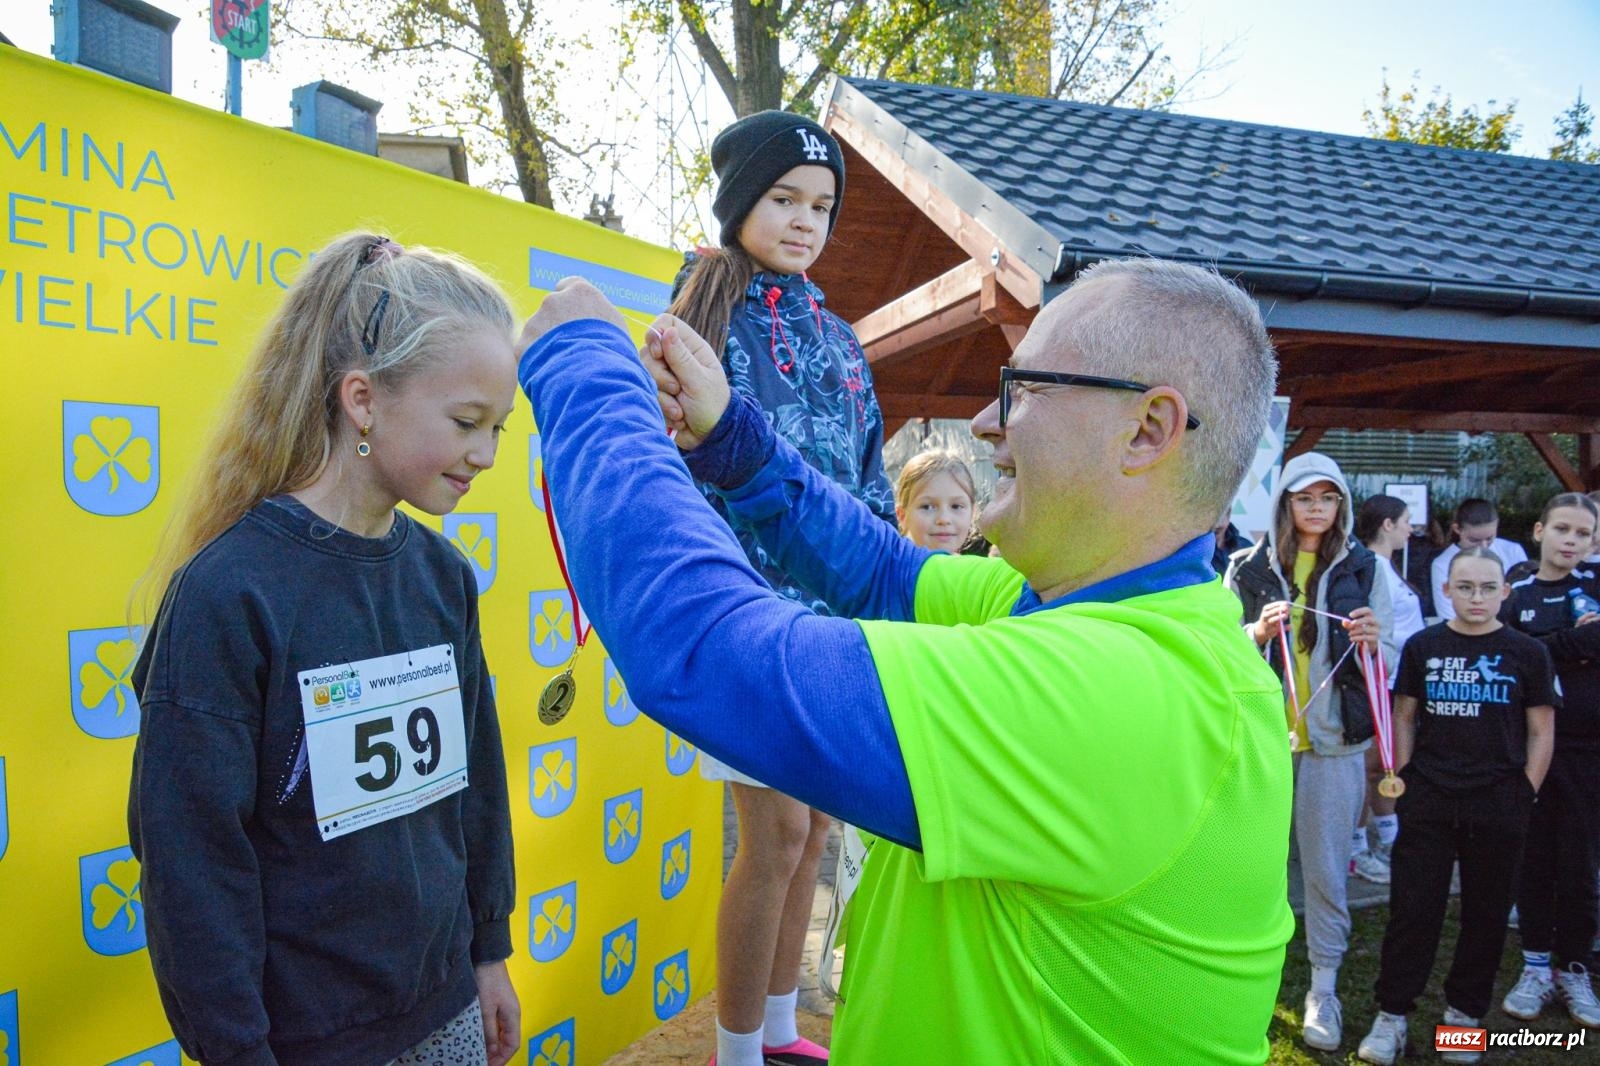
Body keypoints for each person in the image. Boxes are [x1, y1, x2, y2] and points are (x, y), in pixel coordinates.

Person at [516, 256, 1294, 1062]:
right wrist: (732, 437)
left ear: (1148, 430)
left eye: (1023, 391)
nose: (988, 425)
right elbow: (885, 572)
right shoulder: (1085, 609)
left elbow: (707, 653)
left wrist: (585, 368)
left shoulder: (1122, 694)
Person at [127, 234, 520, 1066]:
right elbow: (192, 861)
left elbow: (474, 779)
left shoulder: (443, 577)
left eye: (499, 429)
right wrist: (237, 1049)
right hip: (301, 1040)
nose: (485, 455)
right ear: (363, 400)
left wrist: (489, 951)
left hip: (445, 1006)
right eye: (465, 423)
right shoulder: (230, 593)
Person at [664, 109, 894, 1066]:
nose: (805, 220)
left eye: (822, 206)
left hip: (836, 618)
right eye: (784, 199)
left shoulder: (840, 336)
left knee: (819, 830)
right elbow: (670, 472)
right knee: (778, 831)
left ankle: (784, 1027)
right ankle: (732, 1048)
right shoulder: (694, 320)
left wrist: (878, 573)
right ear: (738, 204)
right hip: (745, 619)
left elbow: (873, 470)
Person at [1355, 549, 1556, 1065]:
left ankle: (1464, 1020)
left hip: (1499, 802)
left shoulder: (1527, 652)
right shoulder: (1424, 645)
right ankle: (1393, 1015)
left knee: (1485, 916)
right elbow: (1403, 714)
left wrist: (1525, 792)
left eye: (1488, 588)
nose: (1476, 598)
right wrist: (1405, 775)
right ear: (1446, 589)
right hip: (1430, 800)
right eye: (1465, 587)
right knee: (1413, 912)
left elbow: (1541, 730)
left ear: (1504, 592)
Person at [1225, 451, 1394, 1053]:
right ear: (1284, 504)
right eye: (1304, 498)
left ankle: (1323, 986)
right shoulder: (1246, 567)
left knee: (1325, 870)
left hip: (1334, 747)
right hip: (1263, 745)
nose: (1316, 508)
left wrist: (1375, 644)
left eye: (1327, 498)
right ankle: (1249, 983)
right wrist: (1257, 634)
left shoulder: (1367, 568)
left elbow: (1393, 653)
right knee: (1254, 868)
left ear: (1341, 505)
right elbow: (1218, 653)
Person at [1500, 492, 1600, 1028]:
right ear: (1539, 531)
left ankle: (1576, 968)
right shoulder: (1514, 594)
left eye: (1582, 534)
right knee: (1534, 859)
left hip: (1588, 750)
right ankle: (1536, 964)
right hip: (1530, 748)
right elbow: (1511, 652)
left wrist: (1541, 645)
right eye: (1562, 529)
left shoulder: (1597, 587)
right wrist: (1568, 644)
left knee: (1581, 864)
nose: (1571, 540)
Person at [1352, 494, 1427, 884]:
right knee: (1373, 766)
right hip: (1380, 683)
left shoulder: (1386, 565)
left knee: (1385, 765)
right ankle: (1359, 849)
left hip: (1399, 682)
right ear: (1387, 525)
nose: (1411, 529)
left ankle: (1385, 843)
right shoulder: (1369, 566)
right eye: (1405, 521)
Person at [1430, 499, 1529, 621]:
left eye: (1489, 539)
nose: (1483, 546)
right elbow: (1448, 615)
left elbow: (1526, 600)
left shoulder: (1512, 550)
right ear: (1457, 529)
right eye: (1474, 540)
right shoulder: (1442, 564)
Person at [894, 449, 978, 552]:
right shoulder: (885, 567)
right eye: (927, 507)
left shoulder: (979, 567)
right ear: (902, 515)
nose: (944, 519)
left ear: (972, 514)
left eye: (956, 506)